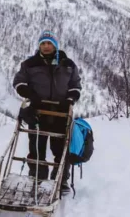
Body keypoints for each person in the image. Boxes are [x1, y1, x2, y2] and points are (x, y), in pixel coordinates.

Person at [12, 30, 82, 182]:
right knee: (36, 148)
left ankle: (60, 180)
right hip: (37, 112)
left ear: (55, 45)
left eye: (49, 43)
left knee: (61, 149)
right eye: (43, 43)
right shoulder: (29, 64)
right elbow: (19, 82)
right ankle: (38, 178)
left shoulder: (68, 65)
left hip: (60, 113)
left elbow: (75, 85)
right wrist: (30, 94)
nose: (46, 46)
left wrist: (70, 99)